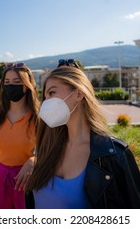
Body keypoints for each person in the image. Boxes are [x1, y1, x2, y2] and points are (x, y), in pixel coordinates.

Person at [25, 64, 140, 209]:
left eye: (52, 93)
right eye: (45, 96)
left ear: (79, 94)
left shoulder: (113, 155)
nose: (46, 102)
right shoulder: (47, 147)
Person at [0, 62, 40, 209]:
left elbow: (47, 150)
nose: (11, 86)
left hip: (24, 179)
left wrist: (33, 160)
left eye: (17, 82)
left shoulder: (38, 117)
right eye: (7, 82)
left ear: (27, 85)